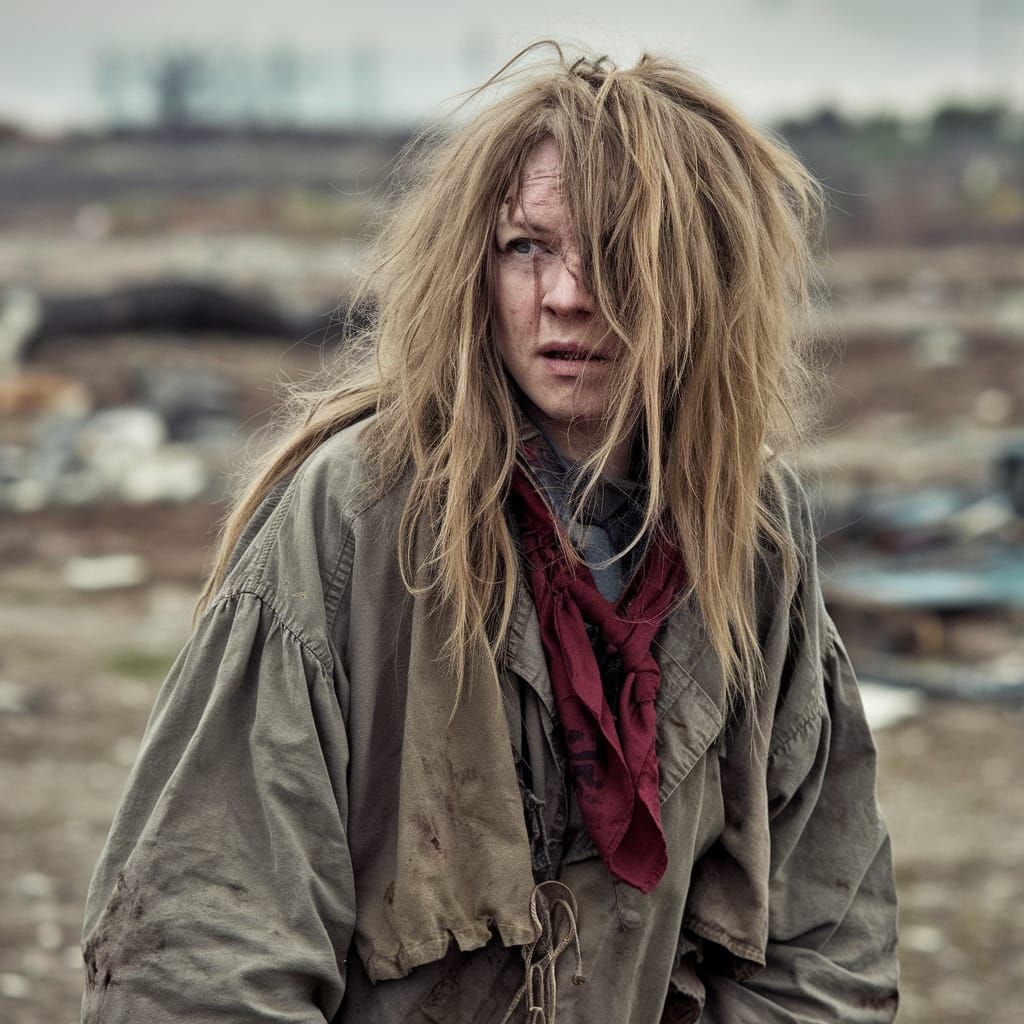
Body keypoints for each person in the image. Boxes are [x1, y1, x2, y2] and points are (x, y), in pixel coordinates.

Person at [80, 43, 899, 1023]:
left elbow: (824, 933)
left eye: (619, 248)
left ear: (700, 271)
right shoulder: (357, 517)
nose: (568, 295)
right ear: (475, 264)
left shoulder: (751, 539)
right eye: (528, 247)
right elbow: (198, 946)